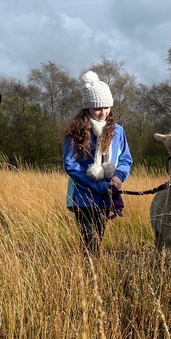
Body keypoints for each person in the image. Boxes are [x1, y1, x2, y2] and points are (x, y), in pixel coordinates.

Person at [62, 71, 133, 255]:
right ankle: (89, 277)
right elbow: (70, 165)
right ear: (88, 109)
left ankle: (90, 274)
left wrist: (117, 178)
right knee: (90, 242)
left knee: (97, 239)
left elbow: (125, 159)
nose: (103, 112)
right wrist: (98, 185)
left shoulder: (118, 131)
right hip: (82, 196)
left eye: (106, 107)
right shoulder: (76, 131)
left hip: (106, 196)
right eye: (97, 108)